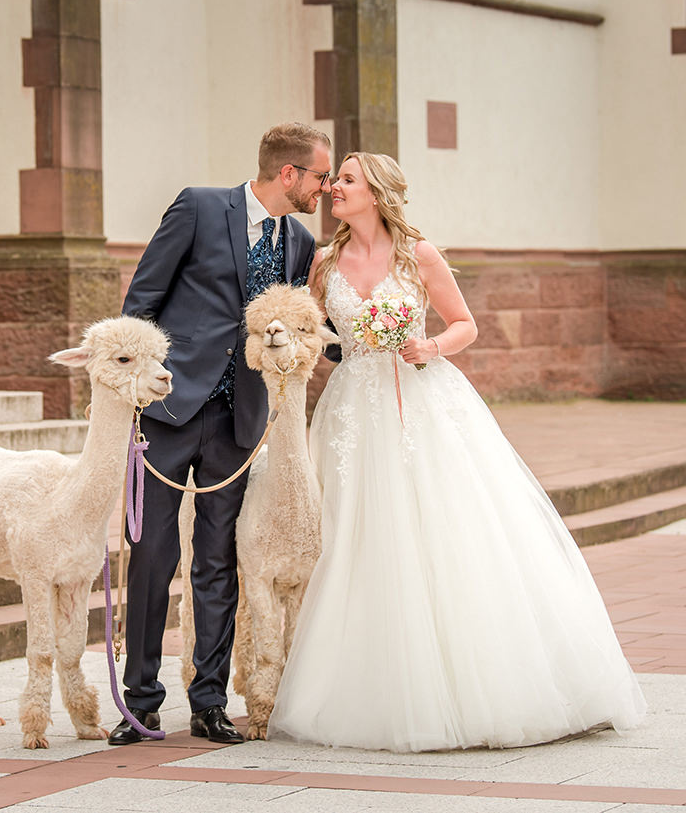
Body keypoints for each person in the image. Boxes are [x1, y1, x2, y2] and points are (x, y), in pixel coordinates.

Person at [269, 152, 646, 752]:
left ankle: (478, 681)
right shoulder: (322, 262)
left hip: (420, 399)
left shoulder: (417, 255)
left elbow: (465, 323)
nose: (334, 187)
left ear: (377, 194)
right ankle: (366, 682)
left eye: (347, 180)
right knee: (352, 530)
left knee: (440, 524)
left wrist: (431, 346)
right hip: (351, 410)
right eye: (334, 178)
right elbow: (312, 332)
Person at [110, 122, 331, 745]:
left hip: (239, 422)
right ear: (288, 174)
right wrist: (134, 387)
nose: (324, 188)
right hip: (168, 411)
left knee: (217, 562)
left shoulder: (299, 242)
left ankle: (208, 702)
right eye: (319, 176)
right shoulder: (200, 207)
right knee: (153, 556)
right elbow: (142, 300)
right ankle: (140, 702)